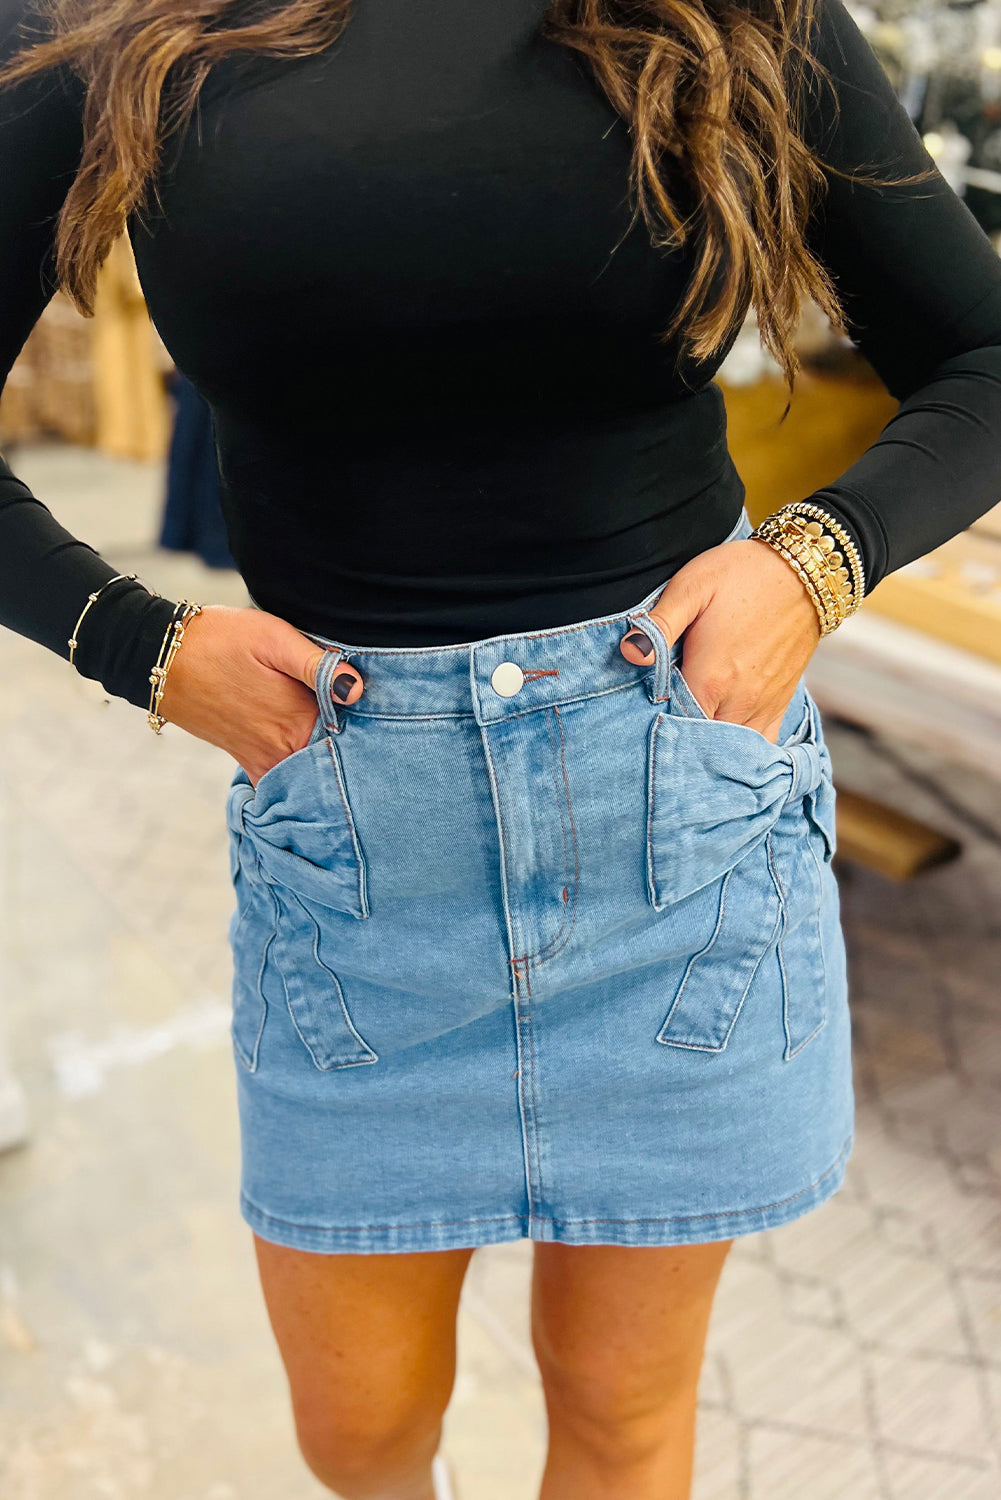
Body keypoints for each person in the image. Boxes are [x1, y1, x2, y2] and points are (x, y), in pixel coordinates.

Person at [2, 1, 1000, 1496]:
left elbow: (982, 351)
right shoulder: (112, 19)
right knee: (360, 1434)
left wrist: (816, 563)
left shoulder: (733, 7)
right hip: (356, 843)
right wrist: (133, 641)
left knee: (619, 1413)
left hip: (678, 809)